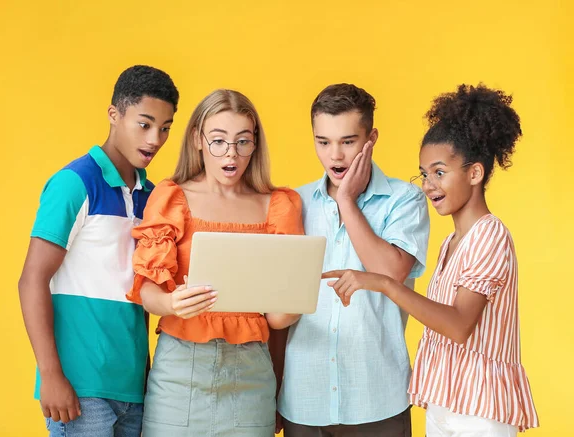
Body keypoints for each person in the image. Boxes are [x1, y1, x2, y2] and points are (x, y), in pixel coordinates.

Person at [324, 83, 539, 436]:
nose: (428, 185)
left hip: (479, 409)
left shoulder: (490, 235)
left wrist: (382, 283)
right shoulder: (452, 242)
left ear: (474, 173)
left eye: (439, 172)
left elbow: (457, 325)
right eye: (424, 174)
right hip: (446, 401)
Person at [126, 89, 303, 436]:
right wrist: (171, 303)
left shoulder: (280, 205)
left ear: (255, 145)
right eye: (219, 141)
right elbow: (147, 289)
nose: (231, 153)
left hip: (251, 372)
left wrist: (293, 303)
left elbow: (278, 318)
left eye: (243, 142)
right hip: (180, 371)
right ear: (198, 140)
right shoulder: (172, 197)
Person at [18, 65, 179, 437]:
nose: (155, 138)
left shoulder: (151, 197)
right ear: (114, 114)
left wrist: (146, 374)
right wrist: (51, 375)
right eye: (145, 123)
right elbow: (31, 281)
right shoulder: (75, 184)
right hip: (80, 388)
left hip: (134, 388)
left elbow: (140, 290)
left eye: (166, 127)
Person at [278, 83, 430, 436]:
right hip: (304, 399)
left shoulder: (404, 200)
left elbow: (390, 274)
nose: (336, 156)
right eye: (323, 142)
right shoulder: (293, 203)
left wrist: (346, 201)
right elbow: (278, 304)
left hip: (378, 398)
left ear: (371, 138)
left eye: (348, 141)